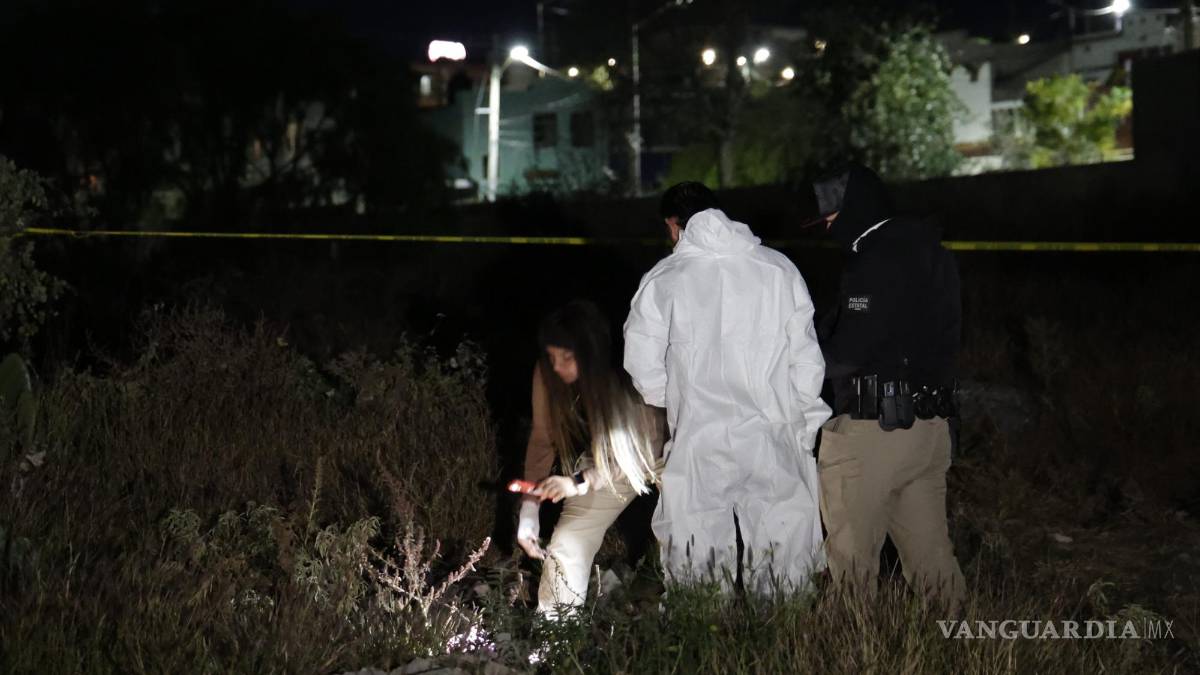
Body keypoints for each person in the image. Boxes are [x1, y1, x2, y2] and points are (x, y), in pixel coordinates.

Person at [623, 182, 830, 593]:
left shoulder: (665, 278)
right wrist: (801, 421)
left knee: (695, 559)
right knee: (781, 557)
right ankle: (781, 629)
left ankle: (703, 630)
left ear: (673, 224)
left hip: (699, 438)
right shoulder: (777, 269)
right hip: (770, 433)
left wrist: (679, 399)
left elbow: (643, 367)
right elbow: (807, 359)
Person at [810, 163, 966, 609]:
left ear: (854, 209)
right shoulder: (934, 253)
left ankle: (854, 641)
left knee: (851, 561)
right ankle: (958, 636)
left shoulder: (873, 261)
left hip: (874, 434)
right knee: (933, 560)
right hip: (929, 430)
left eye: (831, 218)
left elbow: (849, 352)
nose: (829, 228)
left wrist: (797, 362)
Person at [515, 300, 664, 617]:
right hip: (605, 457)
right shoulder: (548, 374)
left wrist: (579, 482)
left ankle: (696, 614)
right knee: (569, 540)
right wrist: (530, 508)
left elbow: (642, 451)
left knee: (687, 531)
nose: (557, 367)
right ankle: (556, 629)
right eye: (552, 357)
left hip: (666, 450)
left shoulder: (628, 373)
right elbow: (542, 439)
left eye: (567, 358)